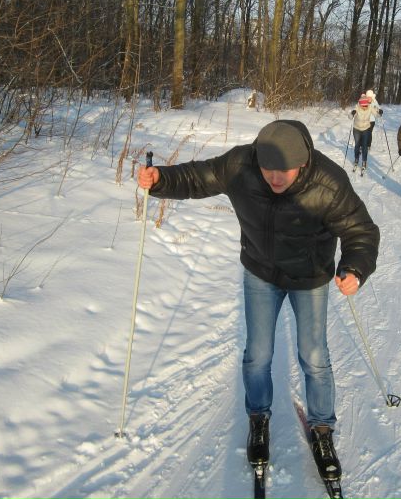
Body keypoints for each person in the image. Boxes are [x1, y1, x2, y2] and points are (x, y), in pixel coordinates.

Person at [137, 119, 379, 482]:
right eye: (268, 169)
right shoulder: (241, 165)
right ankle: (258, 418)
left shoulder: (329, 182)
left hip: (309, 278)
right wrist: (161, 181)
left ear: (303, 162)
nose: (275, 178)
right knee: (258, 354)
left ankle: (322, 430)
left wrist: (355, 268)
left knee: (314, 356)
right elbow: (199, 178)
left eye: (284, 171)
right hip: (260, 273)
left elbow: (360, 229)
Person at [350, 95, 378, 172]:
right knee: (357, 145)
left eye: (366, 106)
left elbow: (376, 115)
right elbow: (349, 117)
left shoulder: (370, 107)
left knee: (365, 146)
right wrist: (352, 113)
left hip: (366, 129)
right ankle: (356, 159)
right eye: (363, 106)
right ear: (360, 104)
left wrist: (380, 112)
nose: (365, 107)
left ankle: (364, 161)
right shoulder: (357, 107)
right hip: (357, 129)